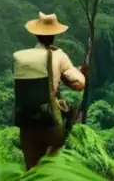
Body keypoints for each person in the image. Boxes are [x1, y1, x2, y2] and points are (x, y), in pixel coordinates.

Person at [18, 12, 86, 169]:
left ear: (36, 35)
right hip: (48, 116)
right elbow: (79, 82)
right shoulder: (58, 56)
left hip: (25, 118)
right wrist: (77, 71)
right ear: (54, 35)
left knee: (31, 168)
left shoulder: (24, 58)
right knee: (51, 163)